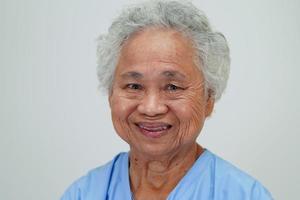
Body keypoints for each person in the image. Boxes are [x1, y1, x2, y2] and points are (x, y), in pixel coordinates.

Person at [61, 0, 273, 199]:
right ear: (110, 95)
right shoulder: (83, 193)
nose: (151, 108)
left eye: (172, 87)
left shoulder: (245, 195)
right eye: (134, 86)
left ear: (209, 99)